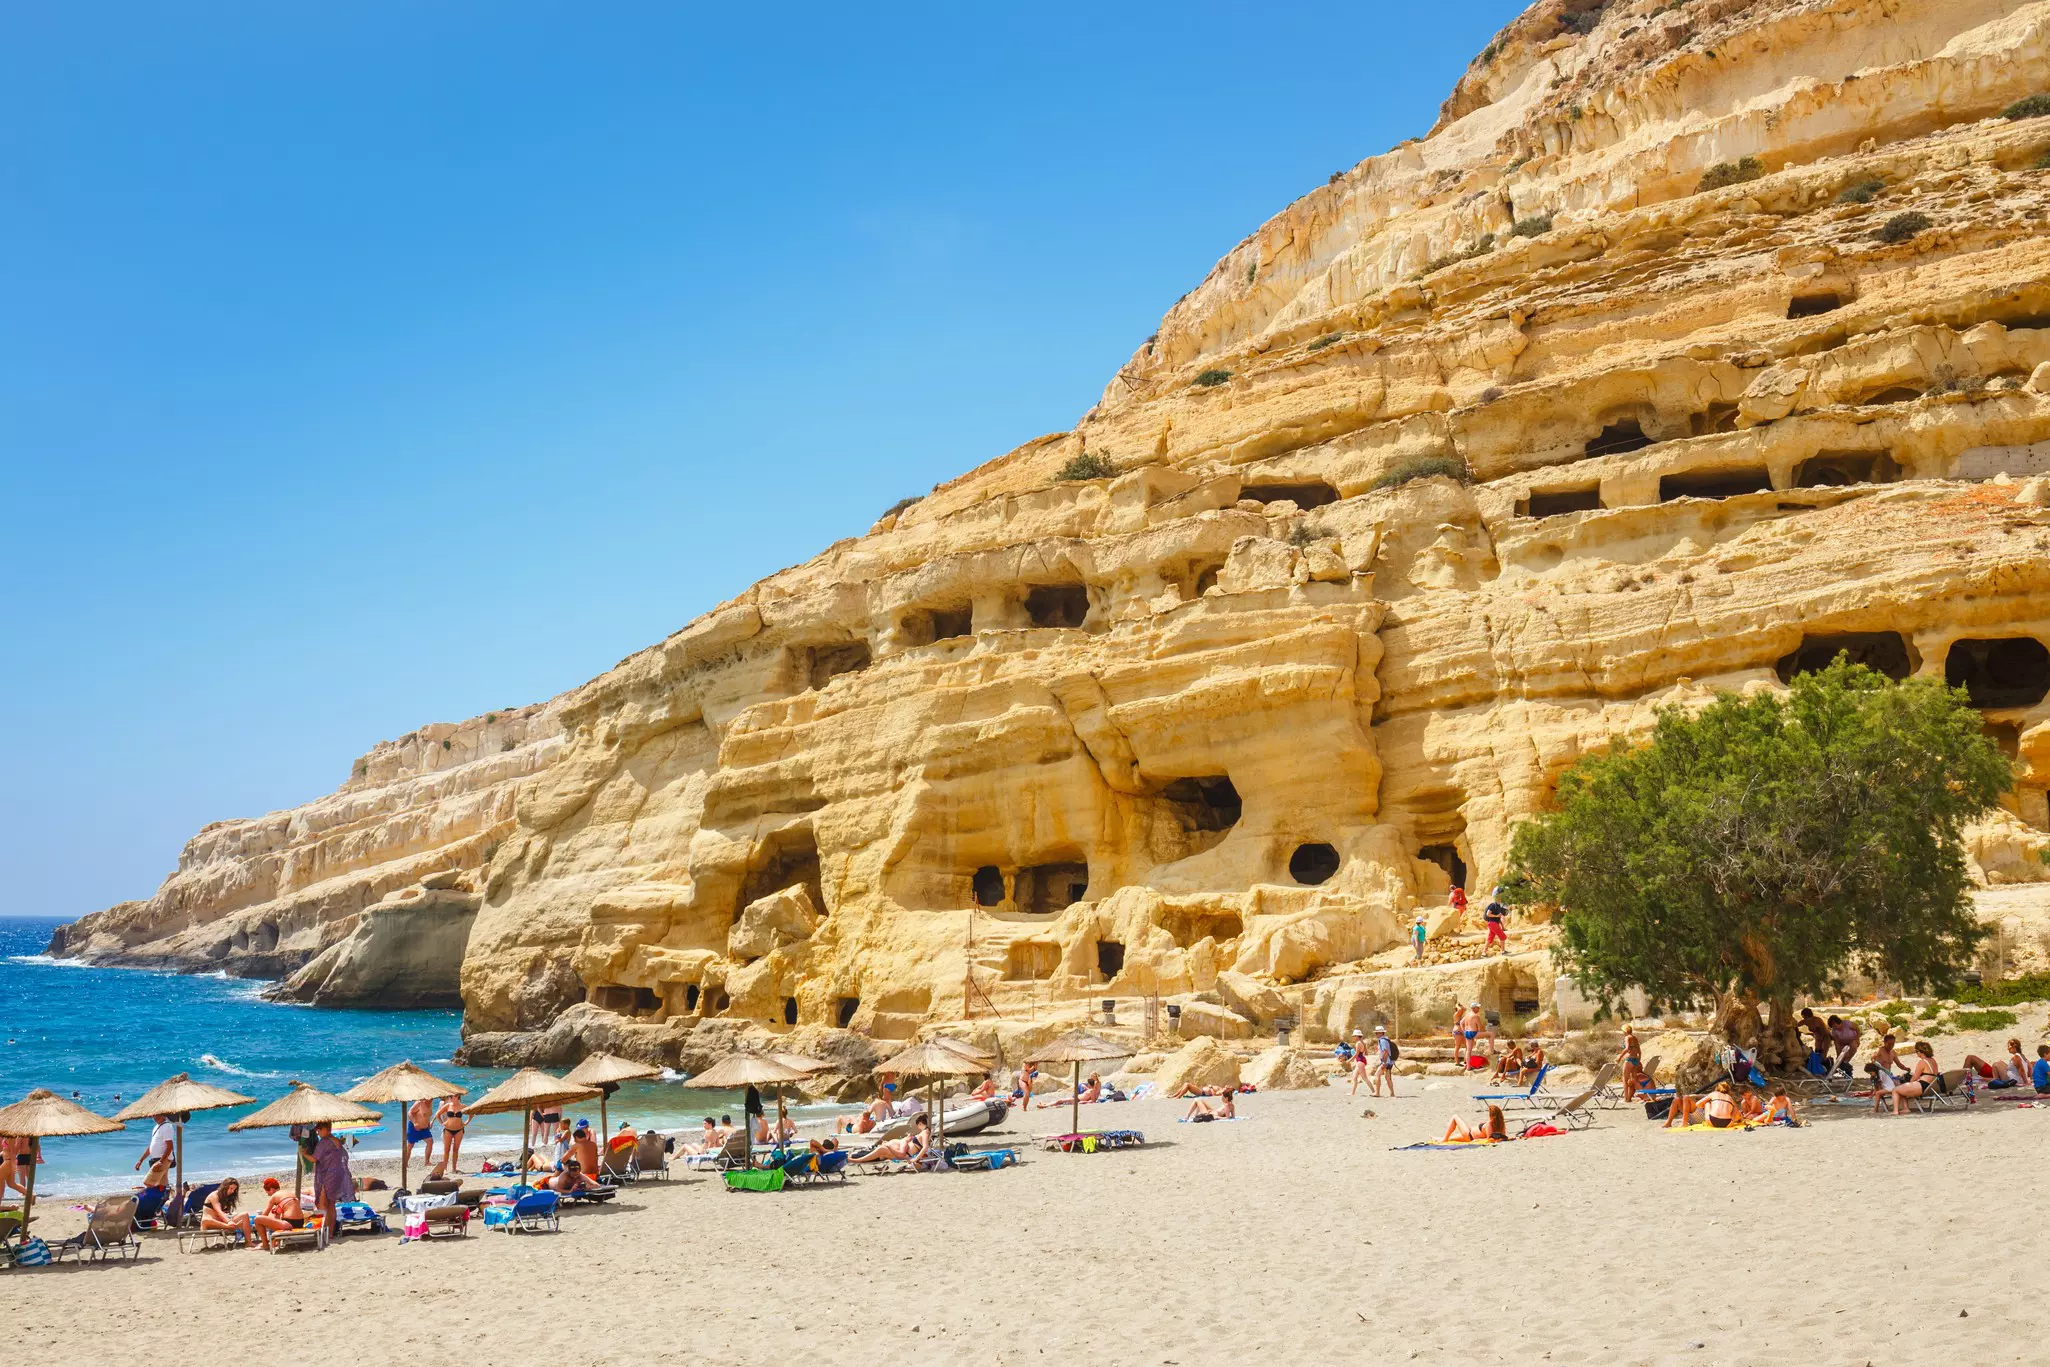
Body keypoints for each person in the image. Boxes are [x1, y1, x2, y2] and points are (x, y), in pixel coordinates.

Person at [310, 1121, 355, 1231]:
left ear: (325, 1129)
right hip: (338, 1175)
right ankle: (330, 1233)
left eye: (319, 1129)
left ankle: (324, 1231)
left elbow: (314, 1159)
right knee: (331, 1205)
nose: (317, 1132)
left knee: (322, 1205)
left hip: (327, 1176)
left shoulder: (324, 1142)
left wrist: (303, 1153)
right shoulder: (336, 1141)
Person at [1882, 1041, 1941, 1116]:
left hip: (1923, 1085)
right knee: (1902, 1088)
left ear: (1920, 1052)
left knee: (1895, 1090)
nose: (1916, 1054)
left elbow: (1914, 1078)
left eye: (1916, 1051)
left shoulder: (1922, 1062)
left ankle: (1895, 1111)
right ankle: (1906, 1108)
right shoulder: (1933, 1060)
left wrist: (1910, 1081)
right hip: (1932, 1086)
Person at [250, 1177, 305, 1252]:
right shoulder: (289, 1193)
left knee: (257, 1219)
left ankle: (265, 1244)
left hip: (289, 1224)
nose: (268, 1195)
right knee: (275, 1215)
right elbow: (277, 1216)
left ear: (272, 1189)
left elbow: (264, 1215)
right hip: (300, 1223)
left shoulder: (274, 1196)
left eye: (267, 1192)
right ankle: (276, 1241)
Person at [850, 1114, 930, 1166]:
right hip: (903, 1152)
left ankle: (857, 1160)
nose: (918, 1128)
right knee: (881, 1154)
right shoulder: (925, 1132)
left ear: (920, 1123)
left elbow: (925, 1147)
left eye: (918, 1126)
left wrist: (915, 1159)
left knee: (881, 1149)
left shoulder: (925, 1132)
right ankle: (855, 1157)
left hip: (904, 1154)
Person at [201, 1177, 254, 1245]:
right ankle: (231, 1227)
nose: (232, 1191)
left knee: (245, 1215)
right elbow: (218, 1211)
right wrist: (229, 1222)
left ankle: (249, 1242)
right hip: (209, 1224)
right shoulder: (214, 1195)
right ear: (225, 1187)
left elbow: (225, 1214)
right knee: (206, 1220)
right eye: (231, 1188)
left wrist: (230, 1219)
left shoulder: (227, 1198)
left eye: (234, 1189)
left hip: (222, 1223)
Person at [134, 1113, 176, 1180]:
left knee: (148, 1182)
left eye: (156, 1115)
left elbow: (170, 1146)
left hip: (163, 1159)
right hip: (157, 1159)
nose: (154, 1117)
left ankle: (159, 1190)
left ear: (163, 1115)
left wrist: (161, 1162)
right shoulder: (156, 1127)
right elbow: (151, 1146)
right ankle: (164, 1190)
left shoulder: (167, 1126)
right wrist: (140, 1160)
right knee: (162, 1182)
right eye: (153, 1115)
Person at [1441, 1104, 1507, 1144]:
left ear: (1491, 1115)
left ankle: (1444, 1139)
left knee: (1455, 1117)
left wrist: (1477, 1140)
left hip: (1469, 1136)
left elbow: (1489, 1139)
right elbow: (1503, 1136)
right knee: (1452, 1138)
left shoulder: (1489, 1124)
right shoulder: (1501, 1124)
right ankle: (1440, 1139)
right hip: (1471, 1136)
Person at [404, 1096, 436, 1178]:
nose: (431, 1099)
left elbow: (427, 1114)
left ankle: (427, 1162)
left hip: (424, 1128)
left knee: (430, 1141)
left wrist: (428, 1123)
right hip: (414, 1127)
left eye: (432, 1098)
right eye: (430, 1098)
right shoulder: (419, 1103)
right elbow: (410, 1112)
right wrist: (414, 1122)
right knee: (410, 1146)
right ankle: (405, 1163)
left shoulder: (431, 1103)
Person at [437, 1093, 468, 1173]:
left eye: (451, 1096)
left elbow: (471, 1113)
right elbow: (438, 1114)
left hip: (459, 1130)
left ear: (457, 1097)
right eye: (449, 1096)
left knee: (455, 1150)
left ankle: (454, 1169)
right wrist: (442, 1123)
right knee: (446, 1150)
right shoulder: (448, 1106)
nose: (450, 1098)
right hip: (448, 1130)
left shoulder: (463, 1106)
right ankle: (445, 1169)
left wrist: (466, 1122)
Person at [540, 1158, 606, 1194]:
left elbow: (597, 1185)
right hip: (547, 1184)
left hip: (561, 1186)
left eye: (577, 1175)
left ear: (580, 1171)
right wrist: (570, 1191)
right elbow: (558, 1189)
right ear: (569, 1171)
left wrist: (590, 1186)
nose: (575, 1177)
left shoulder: (580, 1175)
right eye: (573, 1175)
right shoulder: (564, 1176)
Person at [1619, 1026, 1646, 1101]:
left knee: (1625, 1079)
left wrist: (1620, 1057)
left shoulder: (1627, 1037)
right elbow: (1639, 1052)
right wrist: (1638, 1061)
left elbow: (1627, 1048)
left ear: (1625, 1031)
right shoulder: (1634, 1038)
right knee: (1634, 1079)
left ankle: (1626, 1099)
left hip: (1629, 1059)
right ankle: (1645, 1096)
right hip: (1635, 1059)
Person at [1369, 1025, 1397, 1098]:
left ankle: (1377, 1093)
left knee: (1377, 1075)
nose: (1376, 1034)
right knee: (1388, 1078)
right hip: (1390, 1062)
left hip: (1386, 1062)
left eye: (1377, 1033)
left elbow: (1386, 1051)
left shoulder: (1382, 1040)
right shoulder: (1386, 1039)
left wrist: (1384, 1062)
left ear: (1381, 1033)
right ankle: (1392, 1093)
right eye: (1376, 1033)